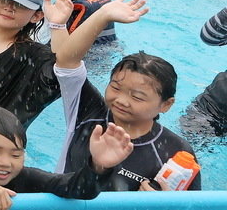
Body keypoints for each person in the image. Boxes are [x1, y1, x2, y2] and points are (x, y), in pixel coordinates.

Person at [0, 0, 146, 143]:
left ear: (36, 16)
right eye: (4, 0)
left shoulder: (33, 60)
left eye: (19, 5)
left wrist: (61, 25)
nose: (9, 7)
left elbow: (65, 67)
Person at [0, 106, 131, 210]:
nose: (5, 162)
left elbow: (78, 190)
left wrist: (98, 166)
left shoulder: (27, 177)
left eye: (16, 155)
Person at [60, 52, 200, 191]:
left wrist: (162, 207)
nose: (121, 100)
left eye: (137, 97)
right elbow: (65, 60)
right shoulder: (88, 110)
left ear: (166, 105)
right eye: (115, 87)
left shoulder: (175, 151)